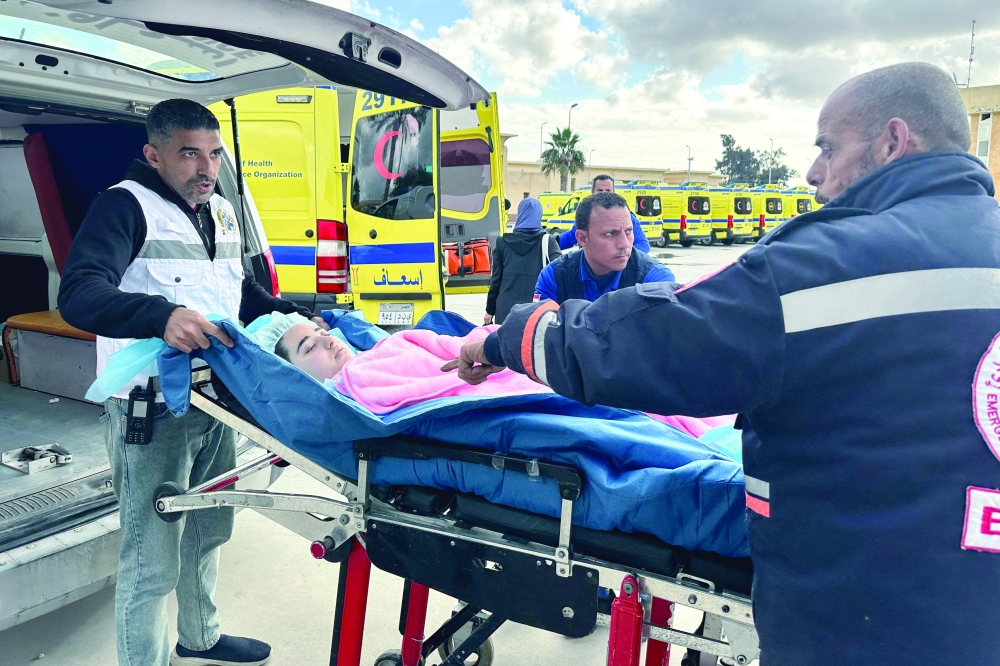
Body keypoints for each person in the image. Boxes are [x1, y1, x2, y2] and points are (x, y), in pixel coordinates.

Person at [445, 62, 1000, 663]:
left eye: (827, 148)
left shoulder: (828, 265)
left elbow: (655, 341)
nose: (814, 176)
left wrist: (504, 340)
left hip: (863, 620)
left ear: (893, 141)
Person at [58, 99, 324, 666]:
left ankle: (199, 637)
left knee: (210, 529)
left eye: (214, 154)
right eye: (189, 154)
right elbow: (79, 293)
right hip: (151, 413)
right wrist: (160, 315)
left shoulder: (221, 210)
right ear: (154, 155)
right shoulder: (124, 207)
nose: (206, 168)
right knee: (151, 558)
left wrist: (291, 316)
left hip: (218, 403)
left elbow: (239, 292)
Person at [534, 192, 675, 304]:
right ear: (583, 238)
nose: (625, 244)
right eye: (610, 233)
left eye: (629, 231)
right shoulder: (554, 276)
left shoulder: (656, 280)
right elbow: (542, 335)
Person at [484, 197, 562, 324]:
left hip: (505, 310)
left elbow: (496, 280)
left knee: (505, 343)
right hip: (536, 309)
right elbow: (561, 271)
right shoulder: (548, 241)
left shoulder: (502, 242)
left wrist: (490, 310)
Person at [558, 174, 651, 252]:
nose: (604, 194)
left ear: (614, 192)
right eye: (600, 191)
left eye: (608, 191)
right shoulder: (586, 218)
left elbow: (643, 245)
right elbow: (568, 239)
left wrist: (625, 258)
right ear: (592, 192)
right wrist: (547, 244)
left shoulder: (627, 218)